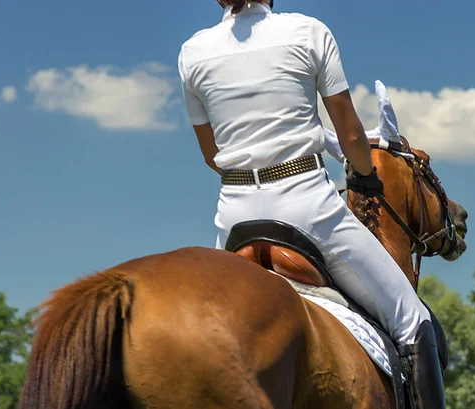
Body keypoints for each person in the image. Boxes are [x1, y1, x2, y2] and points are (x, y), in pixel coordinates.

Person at [177, 1, 444, 408]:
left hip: (233, 217)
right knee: (413, 320)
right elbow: (352, 135)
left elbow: (211, 154)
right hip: (306, 207)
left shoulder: (192, 51)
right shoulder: (308, 31)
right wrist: (366, 178)